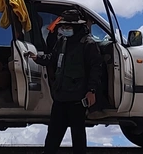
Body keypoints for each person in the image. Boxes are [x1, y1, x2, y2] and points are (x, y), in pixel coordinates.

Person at [30, 9, 102, 154]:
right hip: (60, 96)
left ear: (76, 26)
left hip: (77, 98)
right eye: (63, 26)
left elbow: (96, 68)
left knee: (78, 135)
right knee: (53, 133)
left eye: (67, 26)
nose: (64, 29)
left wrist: (91, 90)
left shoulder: (88, 44)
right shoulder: (62, 41)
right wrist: (37, 58)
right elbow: (52, 58)